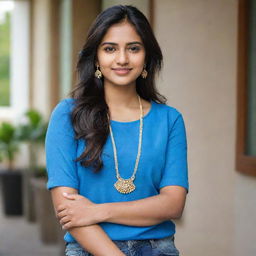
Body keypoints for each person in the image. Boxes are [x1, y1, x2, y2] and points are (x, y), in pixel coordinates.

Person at [45, 5, 189, 256]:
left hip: (158, 249)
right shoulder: (68, 115)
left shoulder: (169, 120)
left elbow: (173, 204)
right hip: (88, 248)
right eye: (110, 48)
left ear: (146, 57)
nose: (122, 59)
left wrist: (99, 210)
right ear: (97, 58)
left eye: (133, 48)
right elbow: (68, 211)